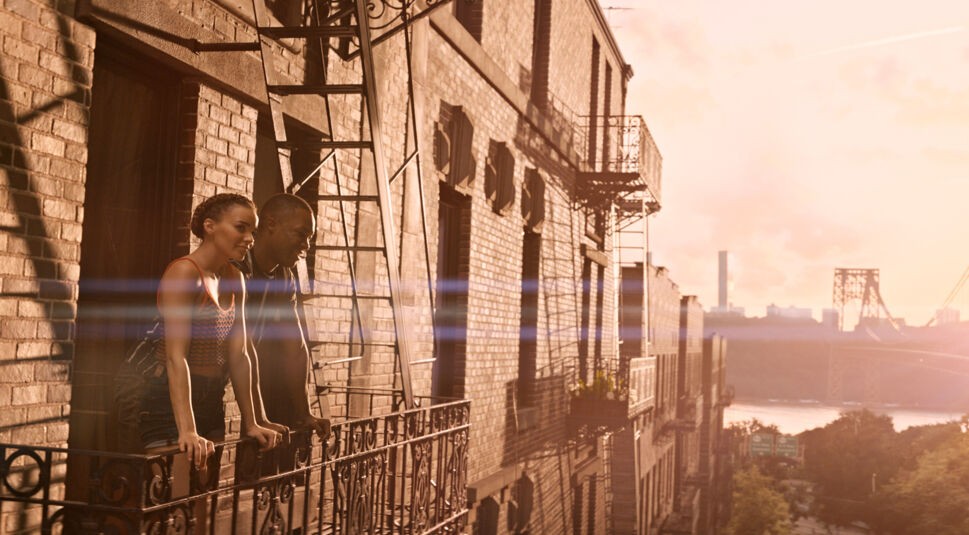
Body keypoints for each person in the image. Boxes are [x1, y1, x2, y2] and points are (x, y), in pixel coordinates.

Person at [139, 193, 283, 471]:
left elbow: (242, 354)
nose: (250, 238)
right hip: (168, 401)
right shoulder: (184, 273)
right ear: (210, 226)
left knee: (203, 501)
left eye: (252, 231)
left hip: (211, 398)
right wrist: (188, 430)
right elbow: (175, 357)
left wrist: (253, 421)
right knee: (173, 498)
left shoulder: (235, 277)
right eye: (241, 228)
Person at [242, 193, 329, 438]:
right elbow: (240, 350)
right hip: (176, 387)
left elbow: (296, 348)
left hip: (213, 390)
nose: (307, 245)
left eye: (310, 237)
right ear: (270, 224)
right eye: (301, 233)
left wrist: (305, 413)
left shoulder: (283, 276)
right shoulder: (237, 267)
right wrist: (258, 419)